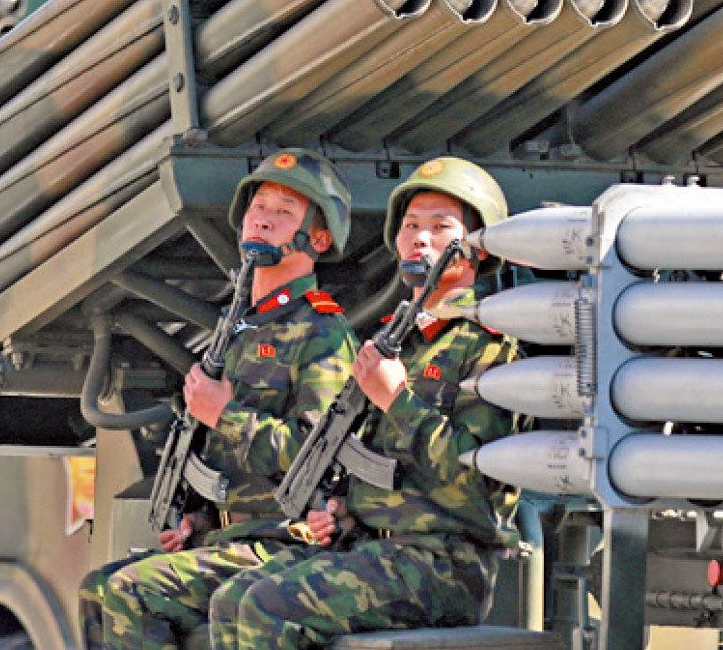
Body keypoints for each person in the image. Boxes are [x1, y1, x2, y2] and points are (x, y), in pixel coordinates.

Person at [208, 156, 525, 650]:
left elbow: (478, 486)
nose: (420, 238)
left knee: (268, 607)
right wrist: (341, 509)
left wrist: (396, 400)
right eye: (411, 226)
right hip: (371, 549)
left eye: (440, 227)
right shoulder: (397, 344)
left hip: (442, 564)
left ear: (477, 248)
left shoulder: (489, 346)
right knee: (232, 600)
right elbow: (372, 461)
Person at [78, 148, 358, 650]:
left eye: (284, 212)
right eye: (258, 207)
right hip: (231, 539)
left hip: (286, 546)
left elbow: (320, 457)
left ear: (317, 238)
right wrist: (198, 520)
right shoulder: (239, 329)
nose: (263, 219)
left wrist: (225, 415)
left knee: (130, 592)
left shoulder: (321, 331)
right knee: (96, 590)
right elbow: (229, 465)